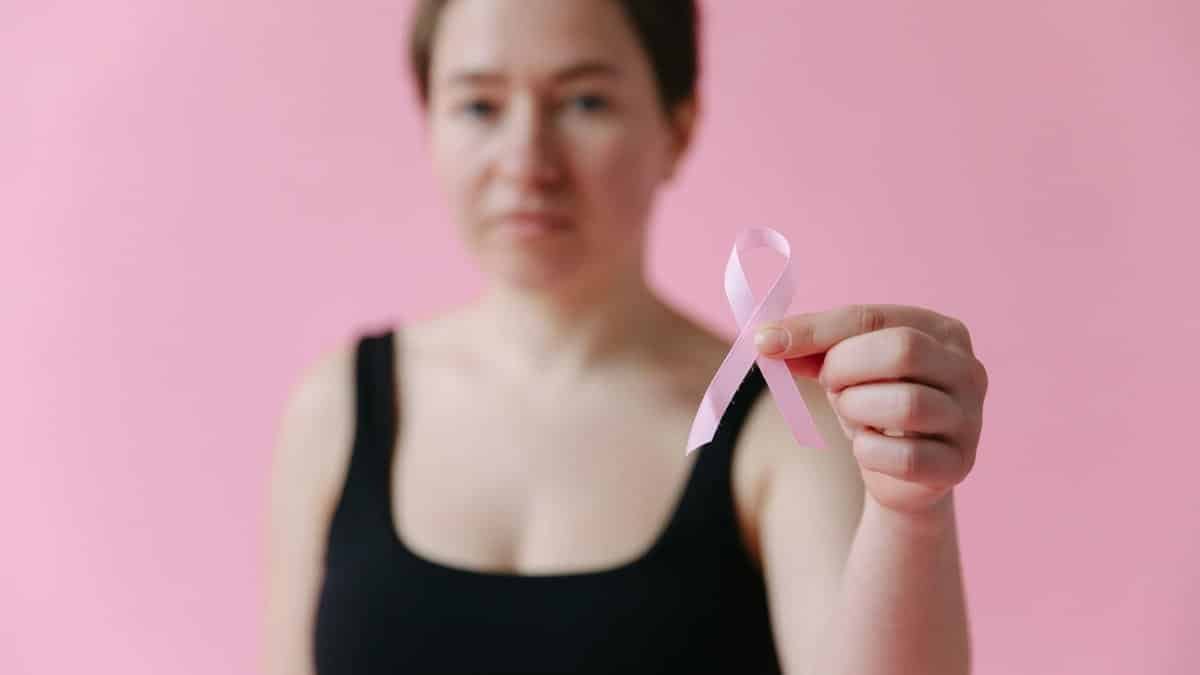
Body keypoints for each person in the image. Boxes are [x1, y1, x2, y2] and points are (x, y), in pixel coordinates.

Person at [263, 1, 988, 673]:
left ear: (677, 127)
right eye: (479, 104)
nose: (526, 161)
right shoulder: (337, 406)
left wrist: (911, 511)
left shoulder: (783, 427)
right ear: (429, 124)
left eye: (585, 101)